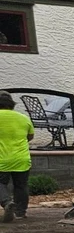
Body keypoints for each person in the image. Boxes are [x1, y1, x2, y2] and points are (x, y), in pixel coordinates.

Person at [0, 91, 34, 221]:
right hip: (21, 158)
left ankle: (7, 202)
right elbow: (30, 136)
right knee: (21, 185)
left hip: (2, 159)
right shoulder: (23, 118)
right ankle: (20, 212)